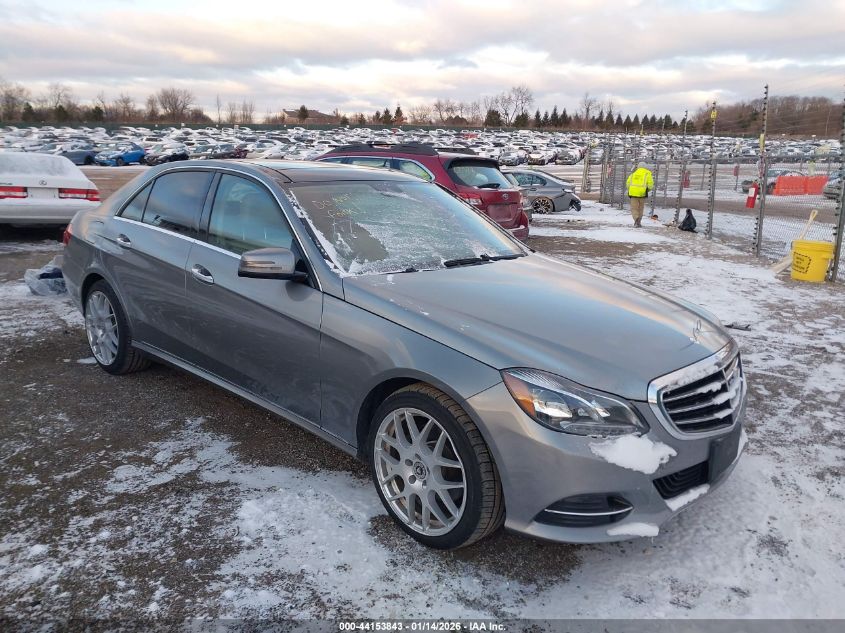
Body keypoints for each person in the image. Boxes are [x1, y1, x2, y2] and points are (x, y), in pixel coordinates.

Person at [626, 161, 654, 227]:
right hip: (642, 193)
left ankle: (636, 219)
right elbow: (650, 185)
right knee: (641, 208)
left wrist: (631, 189)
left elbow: (628, 183)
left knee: (634, 208)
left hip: (633, 193)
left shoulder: (633, 174)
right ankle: (639, 221)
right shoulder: (647, 174)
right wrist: (647, 190)